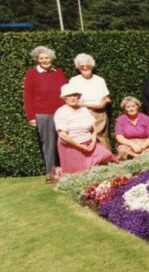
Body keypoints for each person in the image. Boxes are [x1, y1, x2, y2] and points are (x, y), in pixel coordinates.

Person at [23, 46, 66, 182]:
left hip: (61, 113)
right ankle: (51, 175)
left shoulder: (58, 72)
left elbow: (66, 91)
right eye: (41, 58)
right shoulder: (31, 73)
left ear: (51, 58)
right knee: (49, 144)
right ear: (37, 59)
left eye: (46, 57)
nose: (44, 60)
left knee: (64, 141)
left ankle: (66, 171)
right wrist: (31, 116)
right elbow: (27, 96)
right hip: (43, 114)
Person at [54, 84, 117, 175]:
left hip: (89, 144)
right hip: (72, 146)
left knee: (107, 155)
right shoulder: (61, 112)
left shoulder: (84, 109)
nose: (72, 98)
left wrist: (93, 142)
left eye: (75, 95)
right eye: (69, 96)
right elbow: (62, 134)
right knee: (81, 173)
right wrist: (80, 146)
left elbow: (93, 128)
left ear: (78, 97)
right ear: (64, 98)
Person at [67, 53, 111, 151]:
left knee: (102, 138)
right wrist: (88, 105)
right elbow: (70, 100)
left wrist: (103, 103)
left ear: (92, 66)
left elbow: (107, 97)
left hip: (99, 113)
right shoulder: (74, 81)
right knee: (86, 138)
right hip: (82, 113)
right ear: (78, 67)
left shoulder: (99, 80)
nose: (85, 68)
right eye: (82, 66)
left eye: (88, 65)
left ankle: (107, 162)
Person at [114, 96, 149, 160]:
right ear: (124, 108)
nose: (131, 109)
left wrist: (143, 147)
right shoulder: (121, 120)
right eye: (128, 107)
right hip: (128, 144)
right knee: (122, 151)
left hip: (145, 143)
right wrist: (132, 145)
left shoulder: (146, 118)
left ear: (137, 106)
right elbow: (119, 137)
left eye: (133, 106)